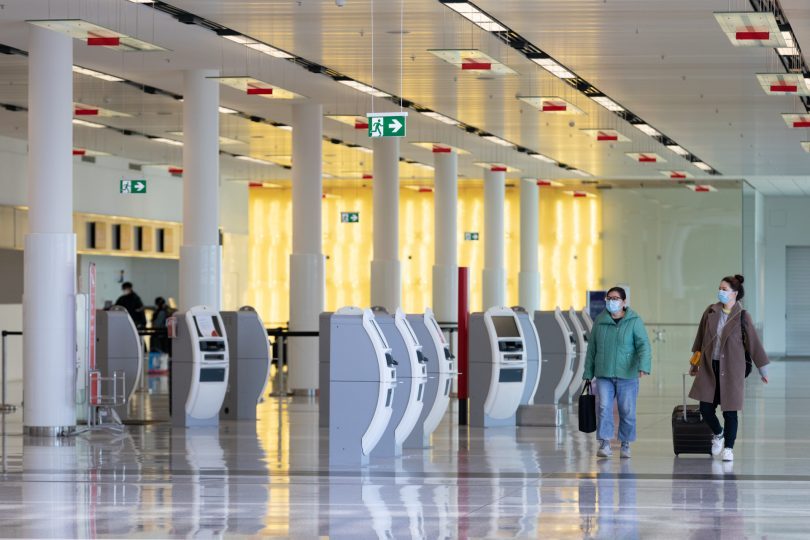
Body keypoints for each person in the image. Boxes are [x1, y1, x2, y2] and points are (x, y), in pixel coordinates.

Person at [689, 274, 769, 463]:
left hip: (732, 369)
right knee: (705, 408)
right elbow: (700, 339)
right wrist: (694, 364)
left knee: (730, 411)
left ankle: (729, 448)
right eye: (720, 288)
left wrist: (763, 370)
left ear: (735, 293)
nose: (721, 292)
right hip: (710, 367)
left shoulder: (742, 316)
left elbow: (754, 344)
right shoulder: (710, 311)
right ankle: (718, 433)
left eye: (724, 289)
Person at [582, 286, 652, 459]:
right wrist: (588, 373)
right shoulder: (600, 320)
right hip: (604, 373)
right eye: (609, 298)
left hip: (627, 374)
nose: (611, 301)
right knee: (604, 408)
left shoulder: (634, 320)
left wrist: (644, 366)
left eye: (615, 298)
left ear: (623, 302)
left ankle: (625, 443)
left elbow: (643, 345)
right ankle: (604, 443)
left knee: (626, 410)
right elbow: (592, 348)